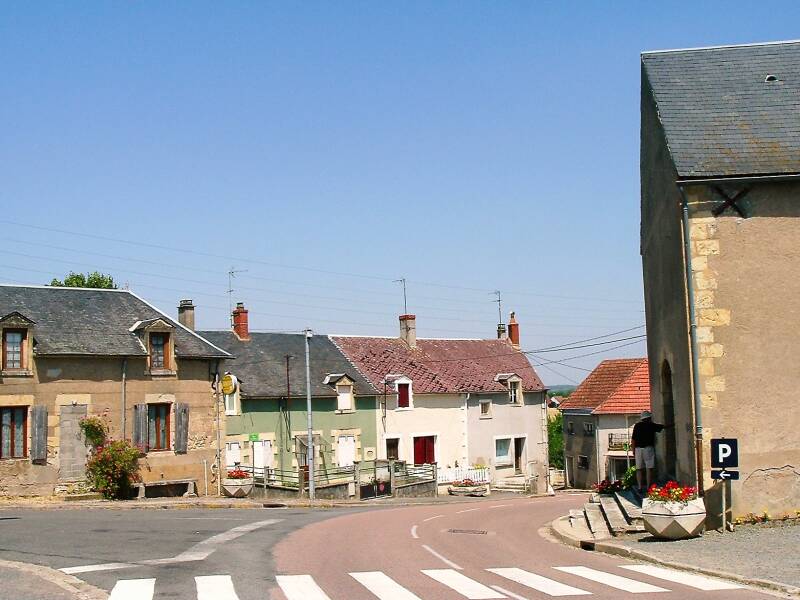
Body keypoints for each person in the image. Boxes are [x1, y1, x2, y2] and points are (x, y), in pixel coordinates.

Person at [630, 410, 672, 494]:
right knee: (649, 468)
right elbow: (663, 427)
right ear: (649, 418)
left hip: (638, 449)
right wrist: (674, 424)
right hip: (648, 448)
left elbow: (633, 439)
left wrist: (633, 450)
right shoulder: (651, 425)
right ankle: (648, 486)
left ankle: (639, 487)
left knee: (639, 469)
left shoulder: (637, 426)